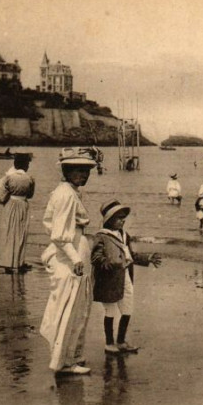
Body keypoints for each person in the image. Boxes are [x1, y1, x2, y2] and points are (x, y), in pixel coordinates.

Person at [39, 148, 98, 375]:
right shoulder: (65, 194)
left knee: (77, 306)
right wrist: (75, 259)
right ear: (66, 170)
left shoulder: (70, 192)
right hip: (68, 253)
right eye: (79, 170)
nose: (84, 175)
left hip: (74, 248)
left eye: (87, 171)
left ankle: (71, 355)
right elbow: (59, 233)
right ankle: (63, 361)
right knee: (69, 307)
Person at [92, 200, 161, 354]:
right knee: (110, 310)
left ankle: (121, 341)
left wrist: (147, 258)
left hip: (125, 276)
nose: (123, 220)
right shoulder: (102, 236)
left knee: (127, 307)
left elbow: (131, 255)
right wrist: (108, 264)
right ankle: (109, 343)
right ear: (110, 220)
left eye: (124, 217)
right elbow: (96, 258)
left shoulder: (125, 235)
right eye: (119, 218)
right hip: (109, 280)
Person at [0, 153, 35, 272]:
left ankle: (6, 262)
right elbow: (30, 195)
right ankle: (19, 262)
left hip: (11, 205)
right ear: (26, 165)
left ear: (15, 164)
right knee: (21, 234)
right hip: (23, 205)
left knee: (8, 233)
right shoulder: (30, 178)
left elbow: (2, 195)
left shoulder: (9, 178)